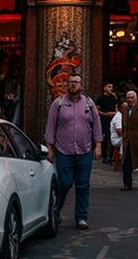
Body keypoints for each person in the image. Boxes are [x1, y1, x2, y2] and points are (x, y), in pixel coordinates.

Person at [44, 73, 103, 229]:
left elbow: (96, 126)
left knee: (83, 185)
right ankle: (56, 210)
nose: (74, 84)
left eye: (76, 82)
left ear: (81, 85)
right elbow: (50, 127)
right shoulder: (58, 104)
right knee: (64, 183)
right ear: (66, 84)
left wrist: (98, 145)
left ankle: (81, 217)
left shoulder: (89, 104)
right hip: (64, 151)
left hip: (85, 151)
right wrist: (49, 148)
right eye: (71, 82)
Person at [96, 82, 118, 164]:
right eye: (109, 87)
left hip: (113, 120)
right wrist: (106, 114)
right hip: (104, 120)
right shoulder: (100, 98)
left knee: (112, 137)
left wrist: (115, 114)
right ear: (105, 88)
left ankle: (112, 155)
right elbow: (97, 110)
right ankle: (105, 155)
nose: (111, 89)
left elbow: (116, 107)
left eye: (111, 87)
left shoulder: (113, 98)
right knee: (105, 138)